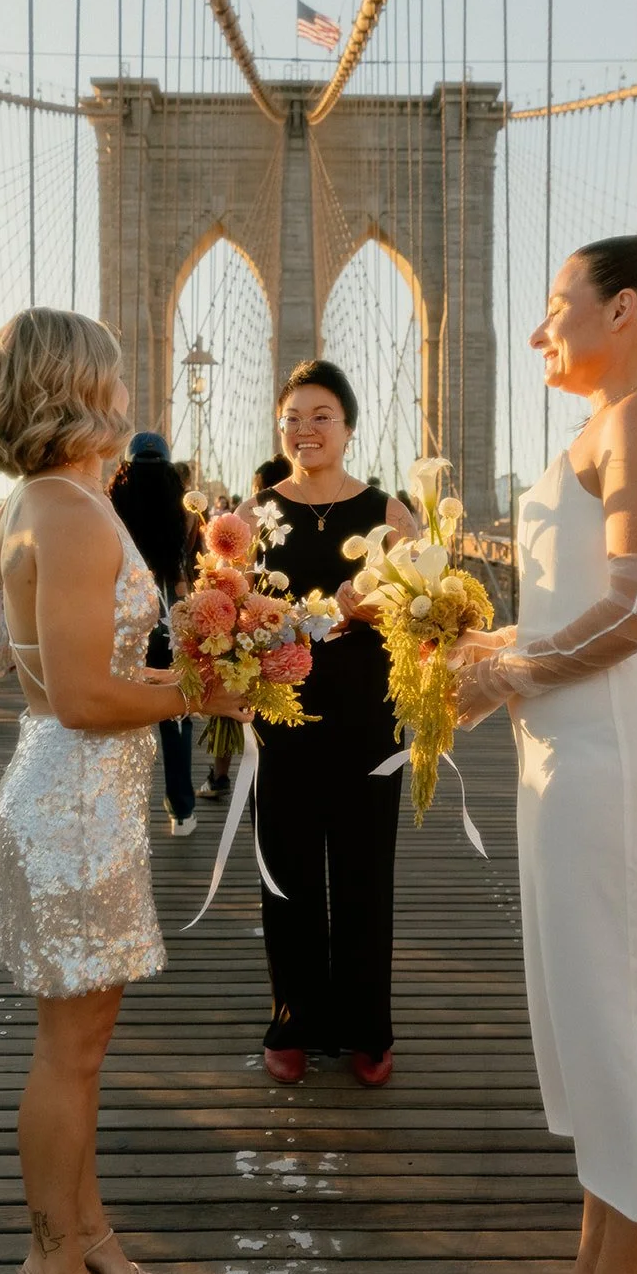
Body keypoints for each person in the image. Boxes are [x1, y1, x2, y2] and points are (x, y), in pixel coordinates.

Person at [454, 231, 637, 1274]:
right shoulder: (598, 428)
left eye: (555, 302)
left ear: (623, 311)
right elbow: (576, 602)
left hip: (611, 757)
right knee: (579, 1018)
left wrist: (510, 669)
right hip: (562, 754)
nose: (537, 328)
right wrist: (478, 655)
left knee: (617, 1018)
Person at [0, 309, 247, 1274]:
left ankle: (84, 1234)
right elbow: (85, 694)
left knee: (84, 1045)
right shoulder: (73, 513)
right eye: (114, 379)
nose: (128, 395)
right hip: (74, 801)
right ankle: (46, 1272)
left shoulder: (54, 499)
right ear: (80, 389)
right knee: (69, 1051)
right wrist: (210, 688)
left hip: (84, 799)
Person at [236, 361, 416, 1088]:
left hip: (366, 714)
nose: (305, 430)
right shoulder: (247, 516)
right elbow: (230, 612)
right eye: (292, 418)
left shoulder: (390, 512)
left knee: (366, 869)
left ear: (347, 427)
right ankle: (294, 1019)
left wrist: (393, 608)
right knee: (287, 869)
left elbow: (418, 615)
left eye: (321, 417)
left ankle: (368, 1025)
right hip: (285, 713)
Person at [109, 432, 198, 837]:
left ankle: (122, 814)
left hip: (121, 626)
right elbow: (182, 579)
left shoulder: (109, 512)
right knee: (175, 712)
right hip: (165, 625)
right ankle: (181, 810)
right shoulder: (184, 516)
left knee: (120, 717)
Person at [198, 454, 291, 803]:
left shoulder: (260, 527)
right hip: (263, 633)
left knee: (230, 704)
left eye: (258, 491)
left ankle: (221, 774)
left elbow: (235, 580)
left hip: (254, 633)